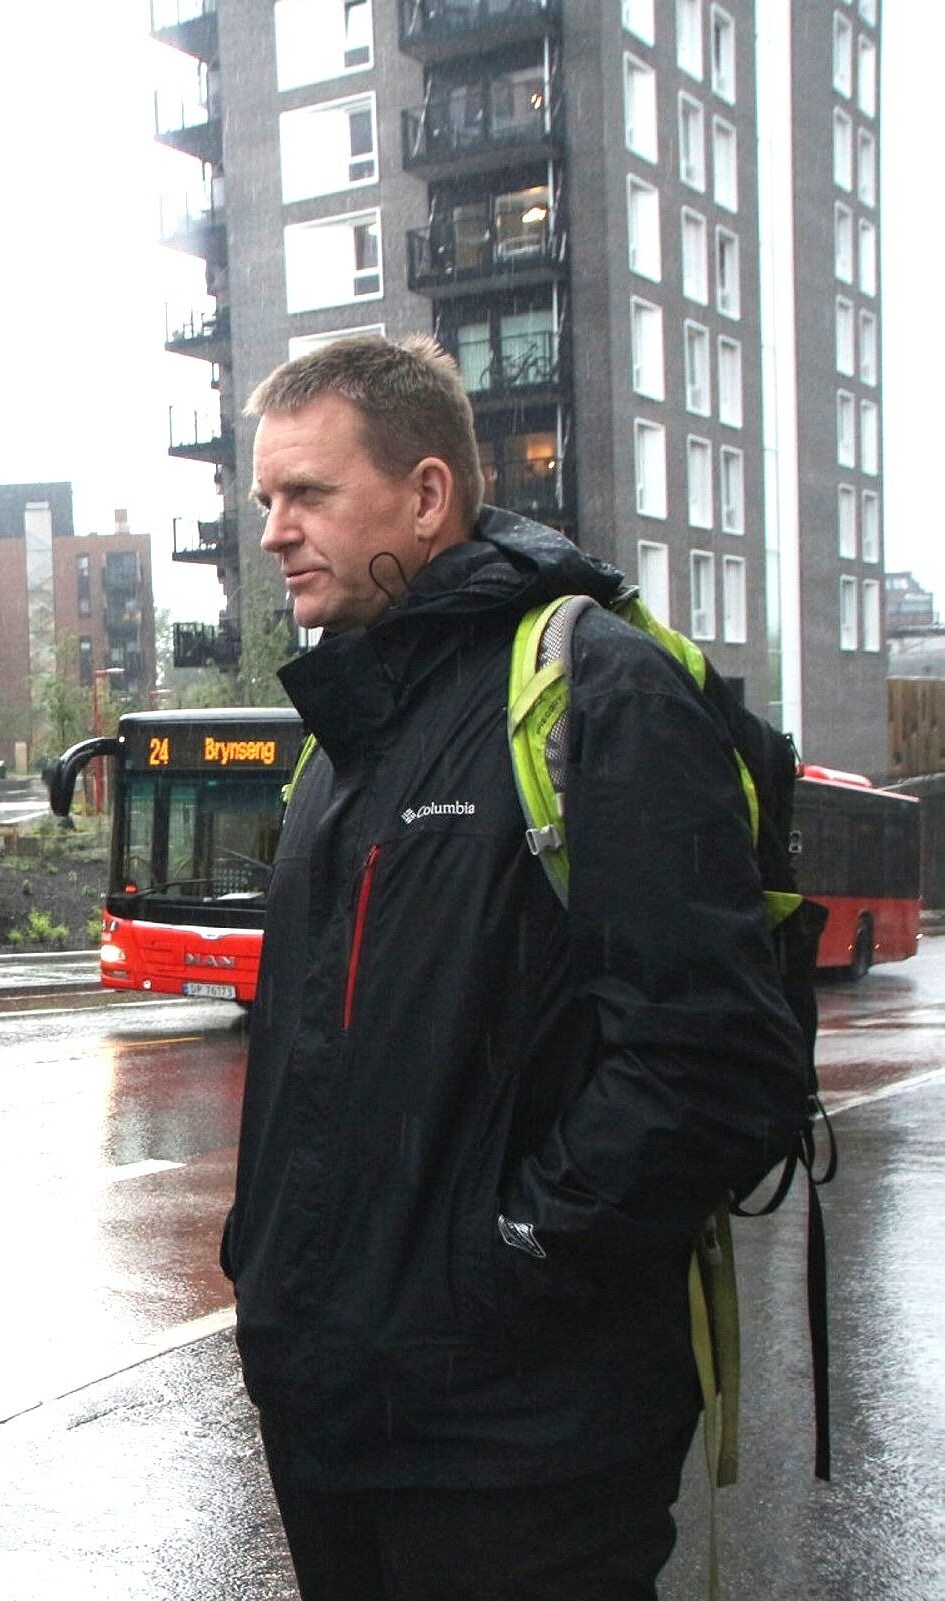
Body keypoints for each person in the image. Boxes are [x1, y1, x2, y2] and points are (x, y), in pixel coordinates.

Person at [223, 335, 806, 1599]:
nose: (273, 531)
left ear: (426, 494)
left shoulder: (597, 692)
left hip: (522, 1441)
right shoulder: (343, 743)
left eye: (308, 492)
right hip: (333, 1417)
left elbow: (714, 1060)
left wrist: (506, 1266)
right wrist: (262, 1272)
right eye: (265, 497)